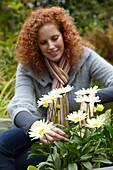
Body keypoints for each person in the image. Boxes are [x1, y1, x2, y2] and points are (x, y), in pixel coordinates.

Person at [0, 6, 113, 170]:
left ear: (65, 36)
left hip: (70, 132)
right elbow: (20, 103)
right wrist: (34, 125)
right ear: (36, 45)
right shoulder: (27, 67)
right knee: (2, 146)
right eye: (43, 42)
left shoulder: (85, 57)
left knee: (23, 162)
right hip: (37, 126)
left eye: (55, 38)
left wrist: (90, 97)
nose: (51, 46)